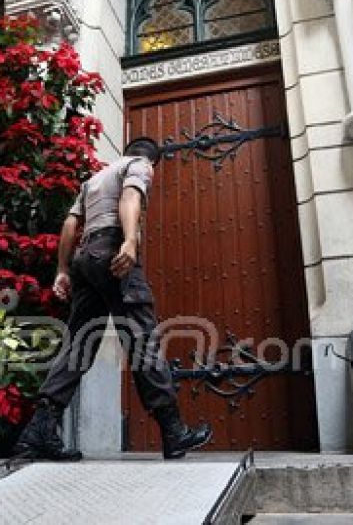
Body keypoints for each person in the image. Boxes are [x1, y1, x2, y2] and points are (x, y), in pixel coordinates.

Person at [14, 137, 213, 460]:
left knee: (78, 344)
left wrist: (63, 269)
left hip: (84, 258)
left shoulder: (94, 179)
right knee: (141, 339)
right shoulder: (140, 166)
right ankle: (173, 431)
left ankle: (38, 431)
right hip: (111, 252)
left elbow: (70, 223)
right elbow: (131, 196)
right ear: (153, 161)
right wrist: (130, 241)